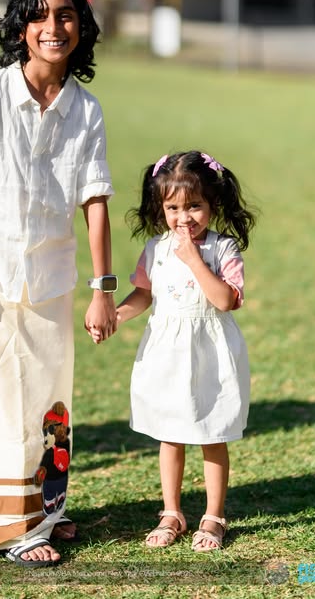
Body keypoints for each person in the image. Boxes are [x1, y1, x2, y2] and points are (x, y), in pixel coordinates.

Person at [0, 0, 117, 567]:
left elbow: (95, 201)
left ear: (81, 28)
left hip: (51, 280)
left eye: (65, 15)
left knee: (50, 403)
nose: (53, 27)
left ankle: (48, 512)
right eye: (39, 16)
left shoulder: (86, 110)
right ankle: (15, 531)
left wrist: (103, 289)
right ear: (20, 27)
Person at [109, 150, 256, 551]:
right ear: (160, 208)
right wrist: (116, 315)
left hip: (211, 352)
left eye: (194, 207)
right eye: (173, 208)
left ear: (212, 205)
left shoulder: (223, 250)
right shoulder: (155, 248)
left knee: (213, 432)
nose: (183, 217)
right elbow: (144, 293)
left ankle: (214, 516)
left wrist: (194, 260)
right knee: (170, 434)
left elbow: (224, 300)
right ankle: (171, 512)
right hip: (167, 352)